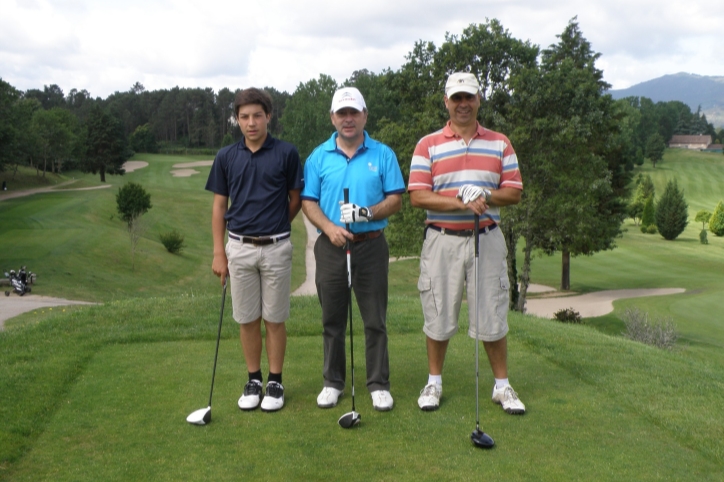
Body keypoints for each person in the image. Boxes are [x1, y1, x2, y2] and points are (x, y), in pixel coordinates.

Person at [408, 72, 526, 414]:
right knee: (438, 310)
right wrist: (463, 201)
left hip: (486, 239)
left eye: (469, 97)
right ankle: (434, 382)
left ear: (478, 100)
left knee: (491, 310)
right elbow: (417, 196)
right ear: (446, 101)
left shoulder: (500, 142)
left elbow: (514, 192)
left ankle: (502, 387)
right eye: (456, 98)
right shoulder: (427, 144)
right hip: (442, 240)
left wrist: (486, 195)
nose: (463, 104)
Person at [301, 87, 405, 412]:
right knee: (332, 319)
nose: (348, 119)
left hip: (371, 246)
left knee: (374, 319)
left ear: (364, 116)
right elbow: (308, 202)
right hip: (331, 247)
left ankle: (378, 384)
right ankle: (332, 382)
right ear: (332, 117)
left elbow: (396, 200)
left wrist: (367, 213)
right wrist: (330, 228)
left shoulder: (383, 154)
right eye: (341, 113)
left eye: (353, 113)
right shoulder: (319, 157)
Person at [205, 87, 303, 412]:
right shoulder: (226, 157)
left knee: (274, 318)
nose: (251, 122)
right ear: (237, 119)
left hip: (276, 248)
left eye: (257, 116)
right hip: (239, 248)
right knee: (247, 318)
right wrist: (219, 252)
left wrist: (276, 224)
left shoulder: (286, 153)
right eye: (244, 117)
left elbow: (295, 199)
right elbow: (220, 207)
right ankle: (254, 379)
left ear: (268, 116)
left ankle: (275, 381)